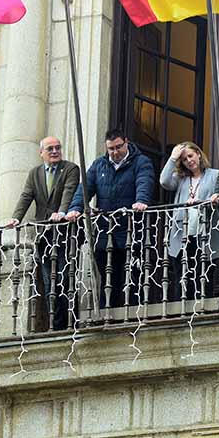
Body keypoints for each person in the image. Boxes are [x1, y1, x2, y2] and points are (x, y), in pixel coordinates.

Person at [66, 128, 155, 310]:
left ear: (126, 142)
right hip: (105, 232)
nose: (115, 152)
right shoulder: (99, 165)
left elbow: (144, 182)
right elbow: (85, 189)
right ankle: (108, 314)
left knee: (132, 275)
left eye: (118, 147)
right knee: (108, 277)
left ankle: (134, 314)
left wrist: (141, 200)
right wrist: (75, 208)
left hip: (131, 230)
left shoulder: (141, 162)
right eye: (111, 149)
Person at [6, 136, 81, 330]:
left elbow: (69, 191)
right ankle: (55, 324)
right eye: (50, 149)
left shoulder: (71, 169)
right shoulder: (35, 173)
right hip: (44, 236)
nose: (55, 151)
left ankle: (70, 322)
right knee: (49, 283)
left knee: (65, 278)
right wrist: (16, 217)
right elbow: (26, 195)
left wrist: (62, 213)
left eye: (58, 148)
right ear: (41, 153)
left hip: (65, 233)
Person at [159, 141, 219, 304]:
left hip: (205, 232)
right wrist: (173, 158)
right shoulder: (180, 178)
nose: (189, 161)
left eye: (191, 156)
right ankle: (184, 311)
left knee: (205, 275)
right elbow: (164, 182)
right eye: (184, 159)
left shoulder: (215, 175)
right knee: (183, 276)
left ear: (198, 154)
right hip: (183, 232)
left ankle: (203, 310)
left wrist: (207, 201)